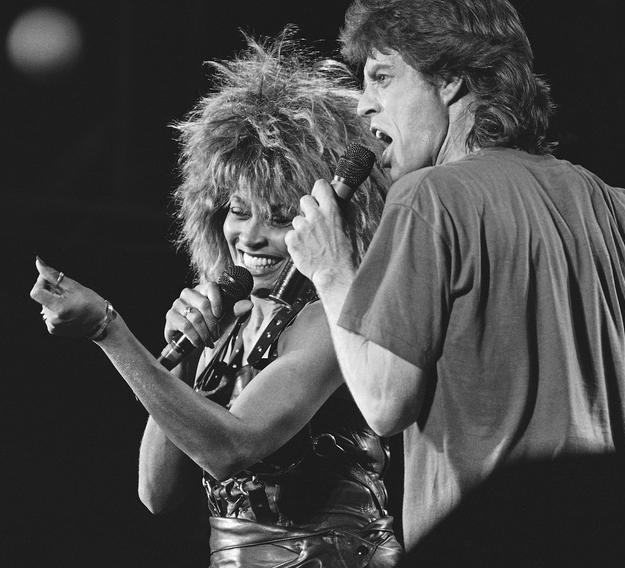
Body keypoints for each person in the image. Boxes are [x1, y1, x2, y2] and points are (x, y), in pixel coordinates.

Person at [282, 0, 625, 550]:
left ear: (451, 78)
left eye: (382, 78)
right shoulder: (621, 210)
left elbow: (385, 404)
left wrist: (333, 272)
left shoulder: (427, 198)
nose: (363, 106)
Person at [30, 30, 402, 567]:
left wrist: (108, 330)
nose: (249, 237)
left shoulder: (331, 317)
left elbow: (232, 449)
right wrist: (177, 360)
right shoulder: (230, 325)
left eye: (278, 216)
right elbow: (156, 493)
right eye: (237, 209)